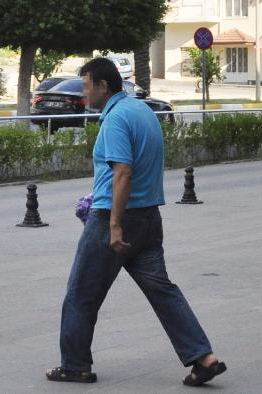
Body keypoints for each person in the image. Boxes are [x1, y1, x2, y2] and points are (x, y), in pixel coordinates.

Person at [45, 57, 226, 387]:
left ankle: (75, 365)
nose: (84, 93)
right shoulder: (143, 111)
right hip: (148, 219)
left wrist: (114, 224)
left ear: (103, 86)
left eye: (86, 86)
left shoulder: (114, 120)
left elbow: (123, 173)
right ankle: (204, 358)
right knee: (162, 291)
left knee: (81, 293)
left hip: (113, 221)